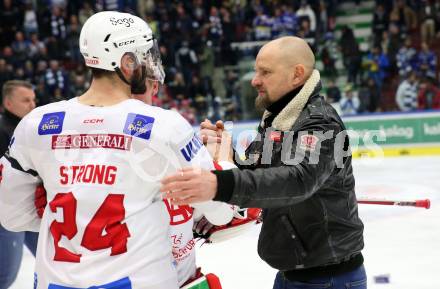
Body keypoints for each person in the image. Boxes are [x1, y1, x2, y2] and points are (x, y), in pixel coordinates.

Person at [0, 11, 230, 289]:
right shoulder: (164, 125)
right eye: (146, 54)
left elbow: (11, 216)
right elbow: (220, 213)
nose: (152, 61)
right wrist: (222, 161)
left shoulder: (35, 123)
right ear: (127, 61)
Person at [161, 36, 366, 289]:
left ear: (297, 74)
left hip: (326, 279)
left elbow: (297, 181)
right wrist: (227, 153)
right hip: (295, 272)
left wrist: (218, 183)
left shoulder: (319, 123)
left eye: (265, 72)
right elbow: (260, 173)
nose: (254, 80)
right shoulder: (278, 117)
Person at [0, 80, 38, 289]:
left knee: (51, 258)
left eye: (33, 99)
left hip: (32, 209)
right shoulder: (3, 131)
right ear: (8, 103)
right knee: (5, 276)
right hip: (8, 213)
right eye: (25, 100)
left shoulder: (29, 129)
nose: (32, 105)